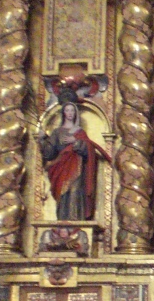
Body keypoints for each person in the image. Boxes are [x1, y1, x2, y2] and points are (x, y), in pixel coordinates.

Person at [38, 89, 111, 221]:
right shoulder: (57, 132)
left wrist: (76, 142)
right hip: (61, 168)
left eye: (72, 110)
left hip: (77, 168)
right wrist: (43, 139)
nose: (70, 113)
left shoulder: (79, 132)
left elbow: (88, 150)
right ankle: (63, 220)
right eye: (67, 110)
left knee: (75, 191)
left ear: (75, 113)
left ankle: (76, 219)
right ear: (63, 113)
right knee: (62, 194)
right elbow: (49, 153)